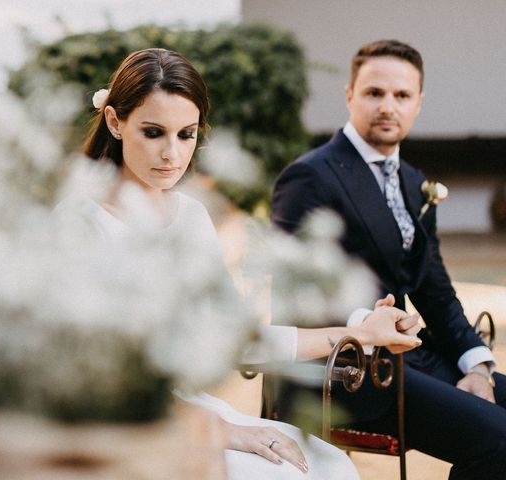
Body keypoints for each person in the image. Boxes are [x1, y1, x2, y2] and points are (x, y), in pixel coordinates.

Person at [78, 47, 422, 479]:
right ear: (115, 122)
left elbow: (235, 338)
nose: (172, 153)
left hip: (187, 408)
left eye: (186, 134)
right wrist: (218, 430)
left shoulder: (190, 216)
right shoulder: (80, 223)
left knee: (330, 467)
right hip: (110, 423)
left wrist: (358, 332)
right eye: (153, 132)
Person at [271, 39, 506, 479]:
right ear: (349, 95)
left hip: (408, 361)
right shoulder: (310, 177)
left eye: (401, 95)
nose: (387, 106)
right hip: (343, 371)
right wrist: (369, 325)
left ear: (418, 103)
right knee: (499, 440)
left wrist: (477, 365)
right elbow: (298, 291)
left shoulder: (415, 182)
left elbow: (434, 289)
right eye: (374, 93)